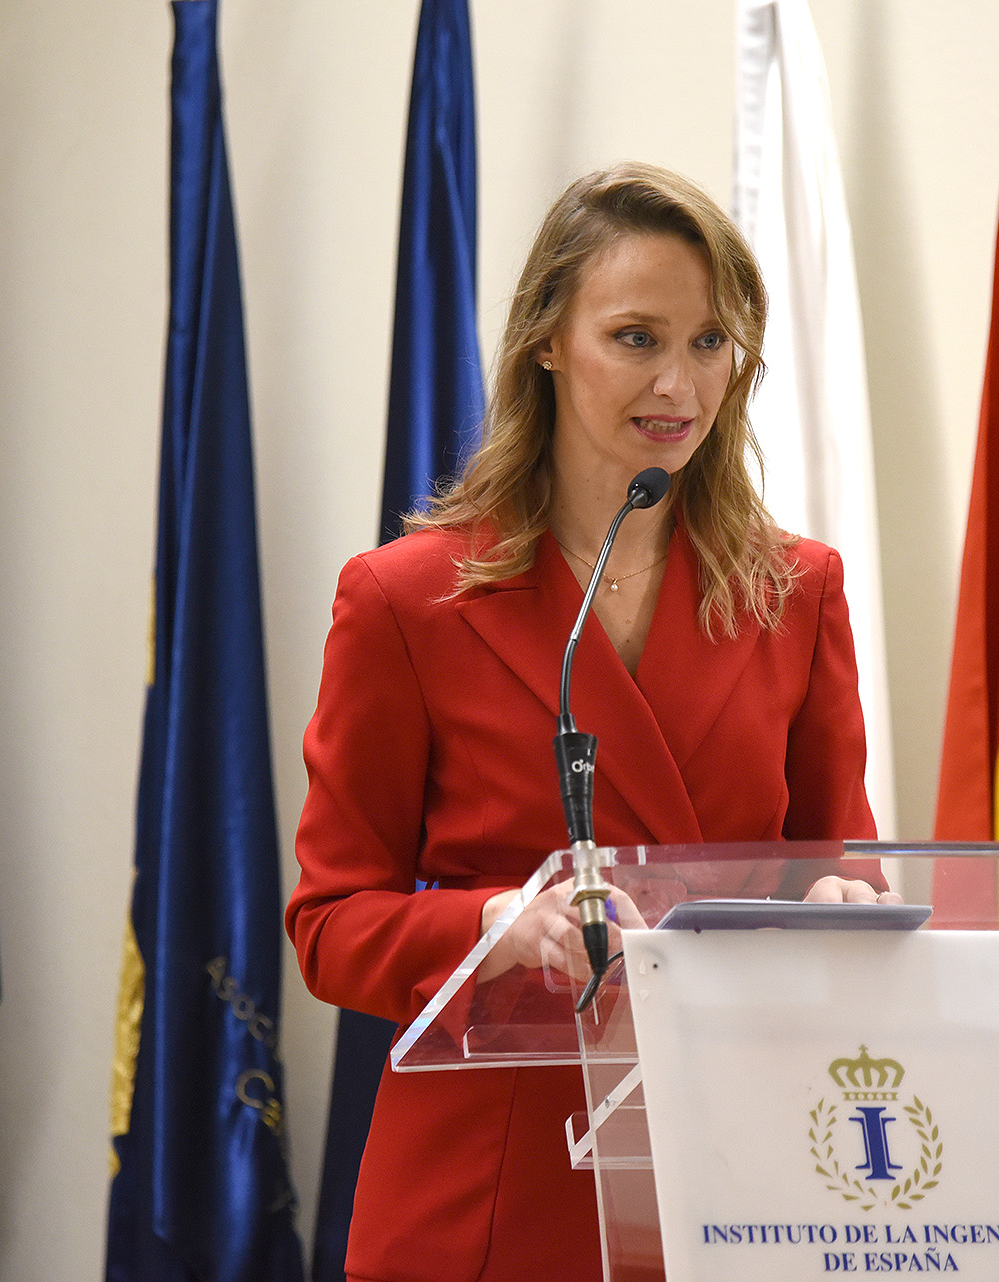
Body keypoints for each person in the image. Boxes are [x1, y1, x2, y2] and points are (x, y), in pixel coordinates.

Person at [285, 161, 893, 1282]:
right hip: (496, 1193)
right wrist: (493, 926)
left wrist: (841, 901)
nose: (678, 382)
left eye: (710, 342)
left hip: (742, 1175)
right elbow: (330, 923)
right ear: (547, 344)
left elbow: (836, 861)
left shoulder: (798, 592)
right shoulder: (406, 601)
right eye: (635, 337)